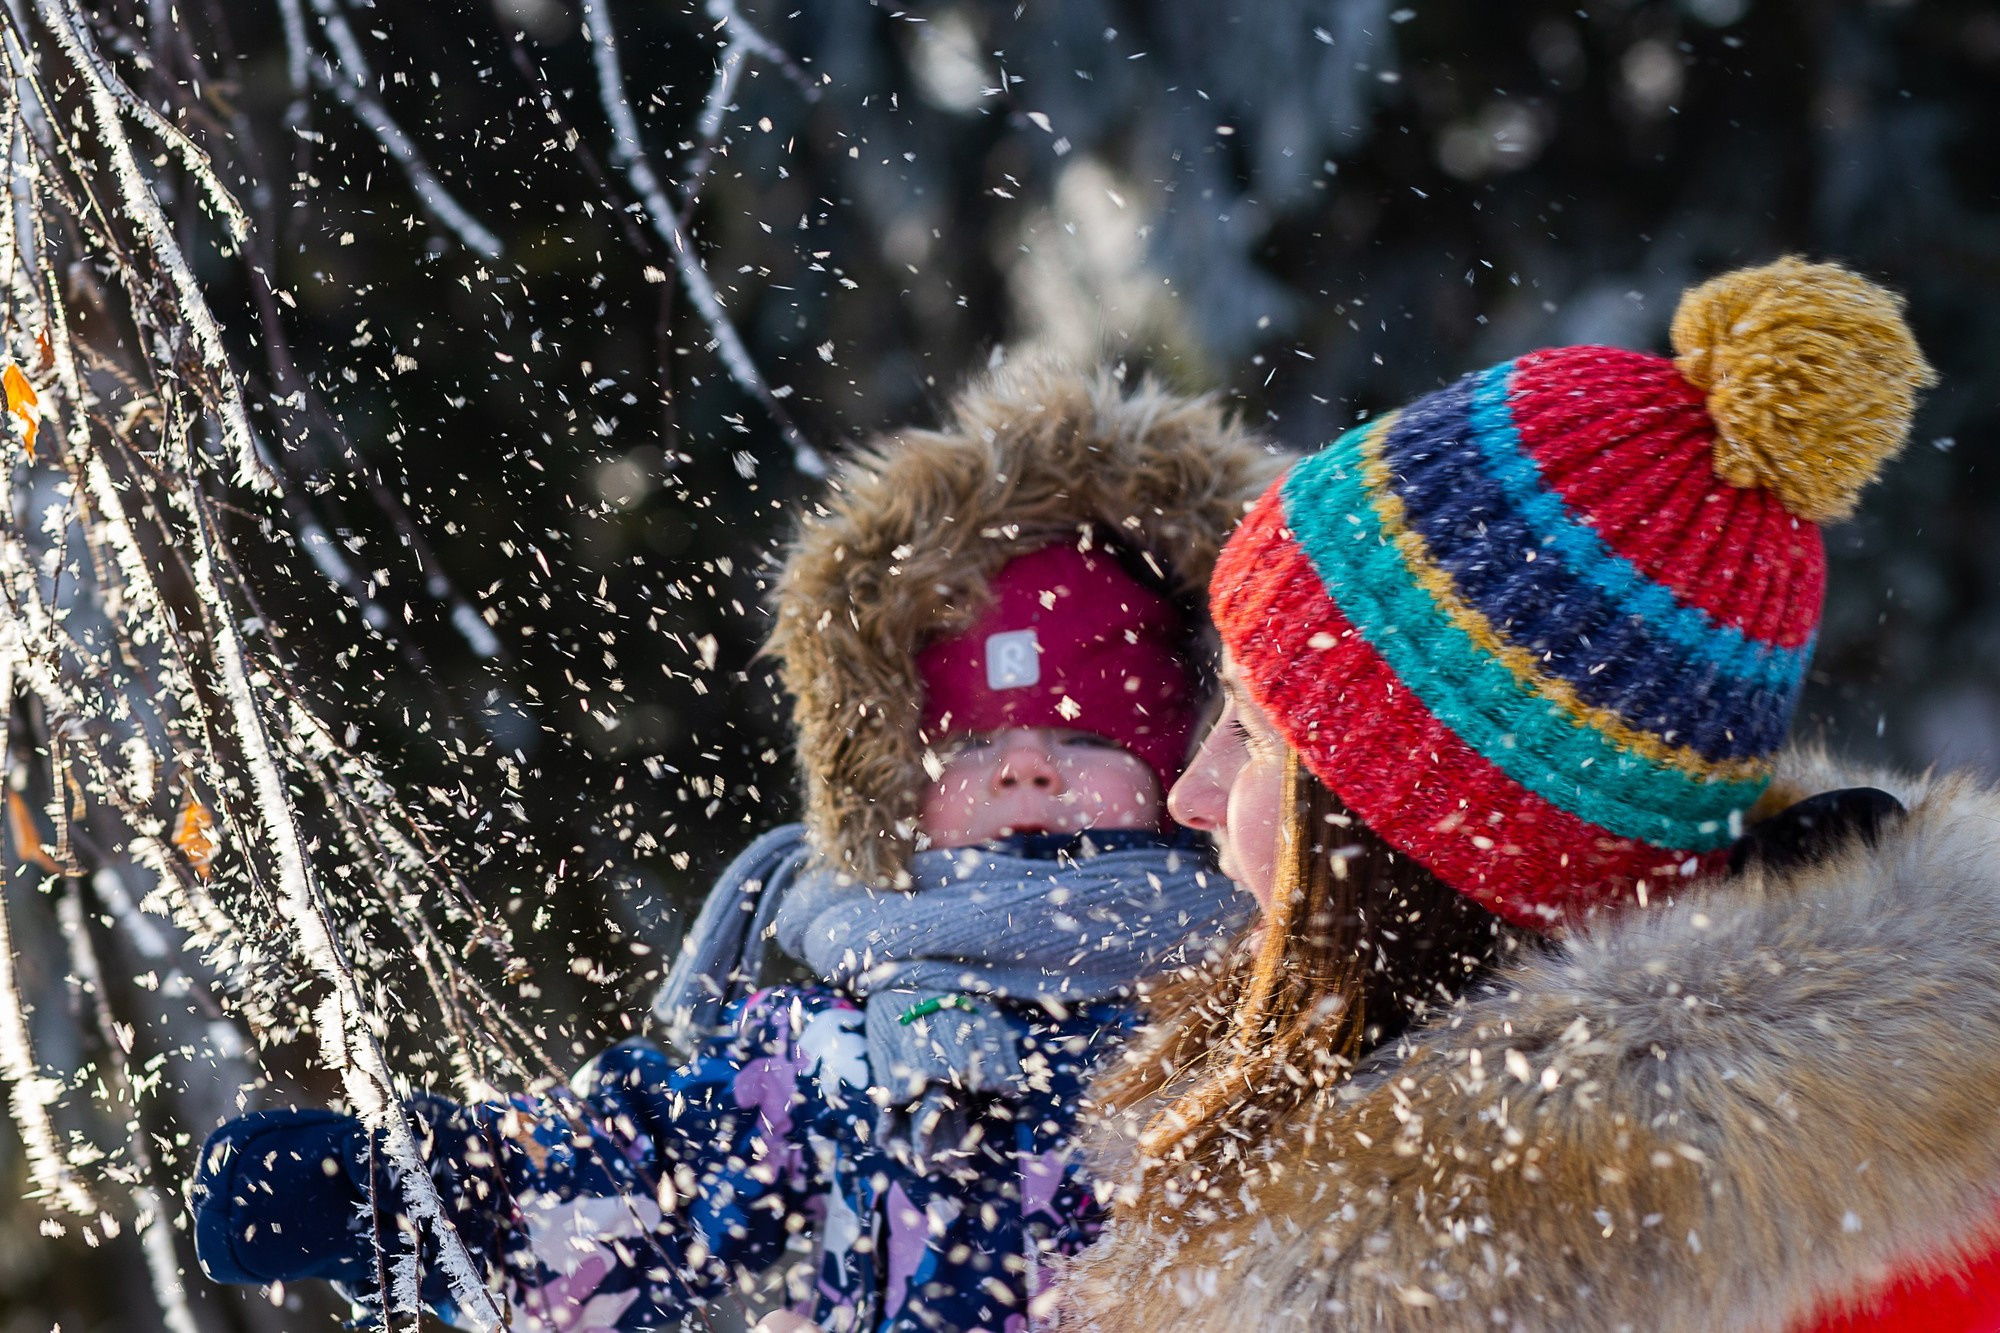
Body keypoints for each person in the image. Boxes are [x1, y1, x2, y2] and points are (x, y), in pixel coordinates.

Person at [188, 360, 1277, 1333]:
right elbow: (634, 1182)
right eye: (973, 741)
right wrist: (404, 1191)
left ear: (1190, 756)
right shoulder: (841, 1049)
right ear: (891, 773)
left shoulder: (1268, 1003)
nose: (1025, 769)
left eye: (1085, 736)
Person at [1054, 259, 2000, 1332]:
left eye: (1256, 735)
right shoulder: (1355, 1062)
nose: (1188, 790)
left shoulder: (1807, 1277)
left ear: (1444, 831)